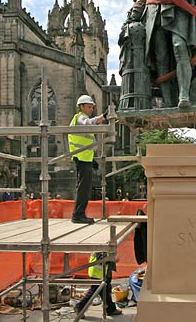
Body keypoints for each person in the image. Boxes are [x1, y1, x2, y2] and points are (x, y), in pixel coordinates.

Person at [69, 94, 105, 224]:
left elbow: (86, 144)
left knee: (84, 187)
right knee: (83, 188)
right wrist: (102, 117)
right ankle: (78, 215)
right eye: (89, 106)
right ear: (81, 107)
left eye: (92, 107)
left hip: (85, 158)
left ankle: (79, 214)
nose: (91, 109)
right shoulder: (80, 118)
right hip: (81, 158)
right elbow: (89, 124)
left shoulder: (81, 117)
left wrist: (93, 160)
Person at [74, 252, 123, 317]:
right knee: (94, 291)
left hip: (103, 272)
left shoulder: (105, 245)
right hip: (98, 273)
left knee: (105, 290)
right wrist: (112, 259)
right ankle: (80, 306)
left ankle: (111, 309)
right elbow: (100, 260)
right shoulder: (102, 246)